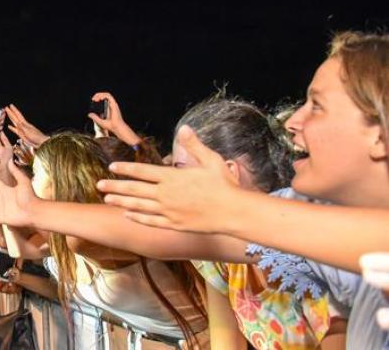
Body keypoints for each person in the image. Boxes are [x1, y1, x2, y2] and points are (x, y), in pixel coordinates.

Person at [97, 31, 389, 349]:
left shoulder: (308, 239)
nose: (294, 122)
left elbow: (338, 326)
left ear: (230, 172)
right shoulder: (226, 260)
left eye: (317, 106)